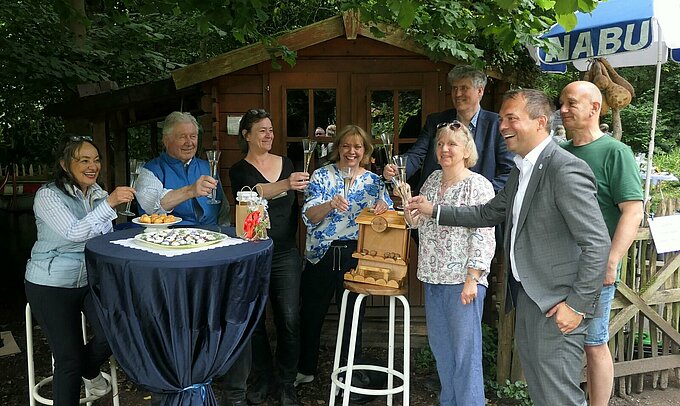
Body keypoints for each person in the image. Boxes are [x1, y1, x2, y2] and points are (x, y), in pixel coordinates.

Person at [407, 89, 611, 406]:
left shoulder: (564, 168)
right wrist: (434, 210)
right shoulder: (522, 168)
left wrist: (578, 305)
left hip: (558, 302)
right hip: (528, 296)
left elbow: (597, 243)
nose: (502, 126)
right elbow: (487, 214)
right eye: (502, 119)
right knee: (542, 392)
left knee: (558, 396)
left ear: (541, 122)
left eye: (511, 118)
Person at [25, 134, 135, 405]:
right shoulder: (47, 195)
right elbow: (74, 233)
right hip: (51, 284)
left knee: (116, 331)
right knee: (68, 360)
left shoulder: (96, 193)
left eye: (96, 160)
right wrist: (109, 205)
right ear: (65, 164)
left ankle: (89, 368)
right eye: (83, 160)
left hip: (88, 279)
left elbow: (102, 236)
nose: (92, 166)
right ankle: (80, 368)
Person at [559, 81, 644, 406]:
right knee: (561, 345)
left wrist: (610, 262)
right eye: (561, 103)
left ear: (595, 108)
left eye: (571, 103)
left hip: (593, 269)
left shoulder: (615, 152)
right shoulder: (560, 152)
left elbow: (633, 211)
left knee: (594, 343)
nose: (563, 109)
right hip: (557, 266)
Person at [404, 122, 495, 406]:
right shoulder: (431, 180)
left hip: (462, 282)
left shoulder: (477, 185)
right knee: (442, 351)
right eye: (441, 144)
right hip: (433, 278)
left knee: (465, 354)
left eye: (452, 144)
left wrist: (473, 278)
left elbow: (484, 233)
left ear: (467, 150)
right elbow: (416, 223)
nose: (445, 149)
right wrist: (408, 204)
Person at [224, 109, 309, 406]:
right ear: (246, 135)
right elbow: (251, 195)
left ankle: (287, 382)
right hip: (253, 254)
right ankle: (262, 377)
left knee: (289, 318)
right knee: (255, 321)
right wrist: (285, 185)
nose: (269, 135)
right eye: (261, 130)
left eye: (271, 129)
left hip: (285, 252)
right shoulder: (238, 170)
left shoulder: (287, 163)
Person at [296, 125, 392, 388]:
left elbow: (388, 214)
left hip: (356, 253)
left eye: (358, 147)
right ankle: (305, 369)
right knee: (311, 313)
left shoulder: (373, 182)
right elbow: (308, 217)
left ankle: (350, 375)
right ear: (338, 148)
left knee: (352, 315)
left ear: (365, 151)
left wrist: (383, 208)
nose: (352, 151)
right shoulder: (321, 176)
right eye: (346, 146)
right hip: (322, 253)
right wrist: (329, 204)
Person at [383, 65, 514, 194]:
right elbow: (416, 155)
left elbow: (510, 172)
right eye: (454, 88)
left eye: (464, 88)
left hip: (476, 209)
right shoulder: (435, 121)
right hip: (432, 200)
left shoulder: (496, 125)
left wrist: (483, 193)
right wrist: (397, 170)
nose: (457, 94)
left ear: (480, 91)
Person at [136, 111, 230, 226]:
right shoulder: (151, 170)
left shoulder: (207, 167)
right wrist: (191, 190)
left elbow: (223, 211)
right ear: (166, 140)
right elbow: (151, 206)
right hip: (169, 239)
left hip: (211, 236)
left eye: (193, 136)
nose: (189, 142)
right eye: (182, 137)